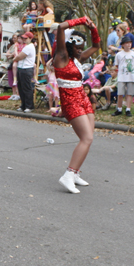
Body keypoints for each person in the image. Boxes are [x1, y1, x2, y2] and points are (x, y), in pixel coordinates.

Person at [51, 17, 100, 193]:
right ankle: (68, 175)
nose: (80, 51)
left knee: (89, 137)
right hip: (70, 101)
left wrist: (93, 28)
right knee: (86, 138)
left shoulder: (77, 58)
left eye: (81, 48)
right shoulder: (61, 56)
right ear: (69, 45)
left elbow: (96, 46)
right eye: (77, 47)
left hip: (83, 98)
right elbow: (60, 28)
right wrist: (81, 20)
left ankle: (76, 172)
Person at [113, 36, 134, 117]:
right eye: (127, 43)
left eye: (130, 43)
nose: (128, 44)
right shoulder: (119, 55)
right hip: (122, 76)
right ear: (123, 45)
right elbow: (117, 65)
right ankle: (119, 108)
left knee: (129, 93)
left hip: (131, 76)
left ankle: (128, 109)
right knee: (120, 93)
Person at [13, 31, 37, 113]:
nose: (24, 40)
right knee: (21, 88)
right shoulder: (26, 46)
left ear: (30, 38)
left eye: (26, 38)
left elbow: (20, 56)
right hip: (21, 68)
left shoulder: (29, 47)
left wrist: (14, 58)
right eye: (23, 38)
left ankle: (29, 106)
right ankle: (23, 105)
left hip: (26, 68)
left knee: (26, 88)